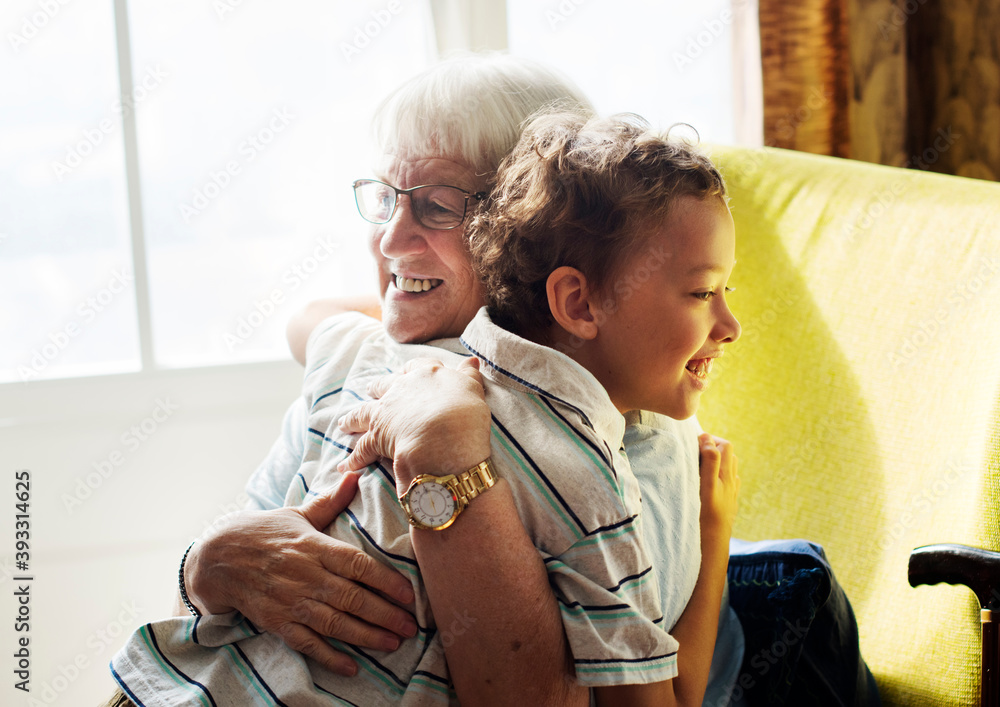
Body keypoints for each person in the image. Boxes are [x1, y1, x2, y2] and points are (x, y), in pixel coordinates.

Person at [111, 111, 742, 705]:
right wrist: (207, 561)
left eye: (437, 206)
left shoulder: (636, 451)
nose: (390, 238)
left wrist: (442, 459)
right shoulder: (578, 472)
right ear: (573, 301)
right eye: (385, 198)